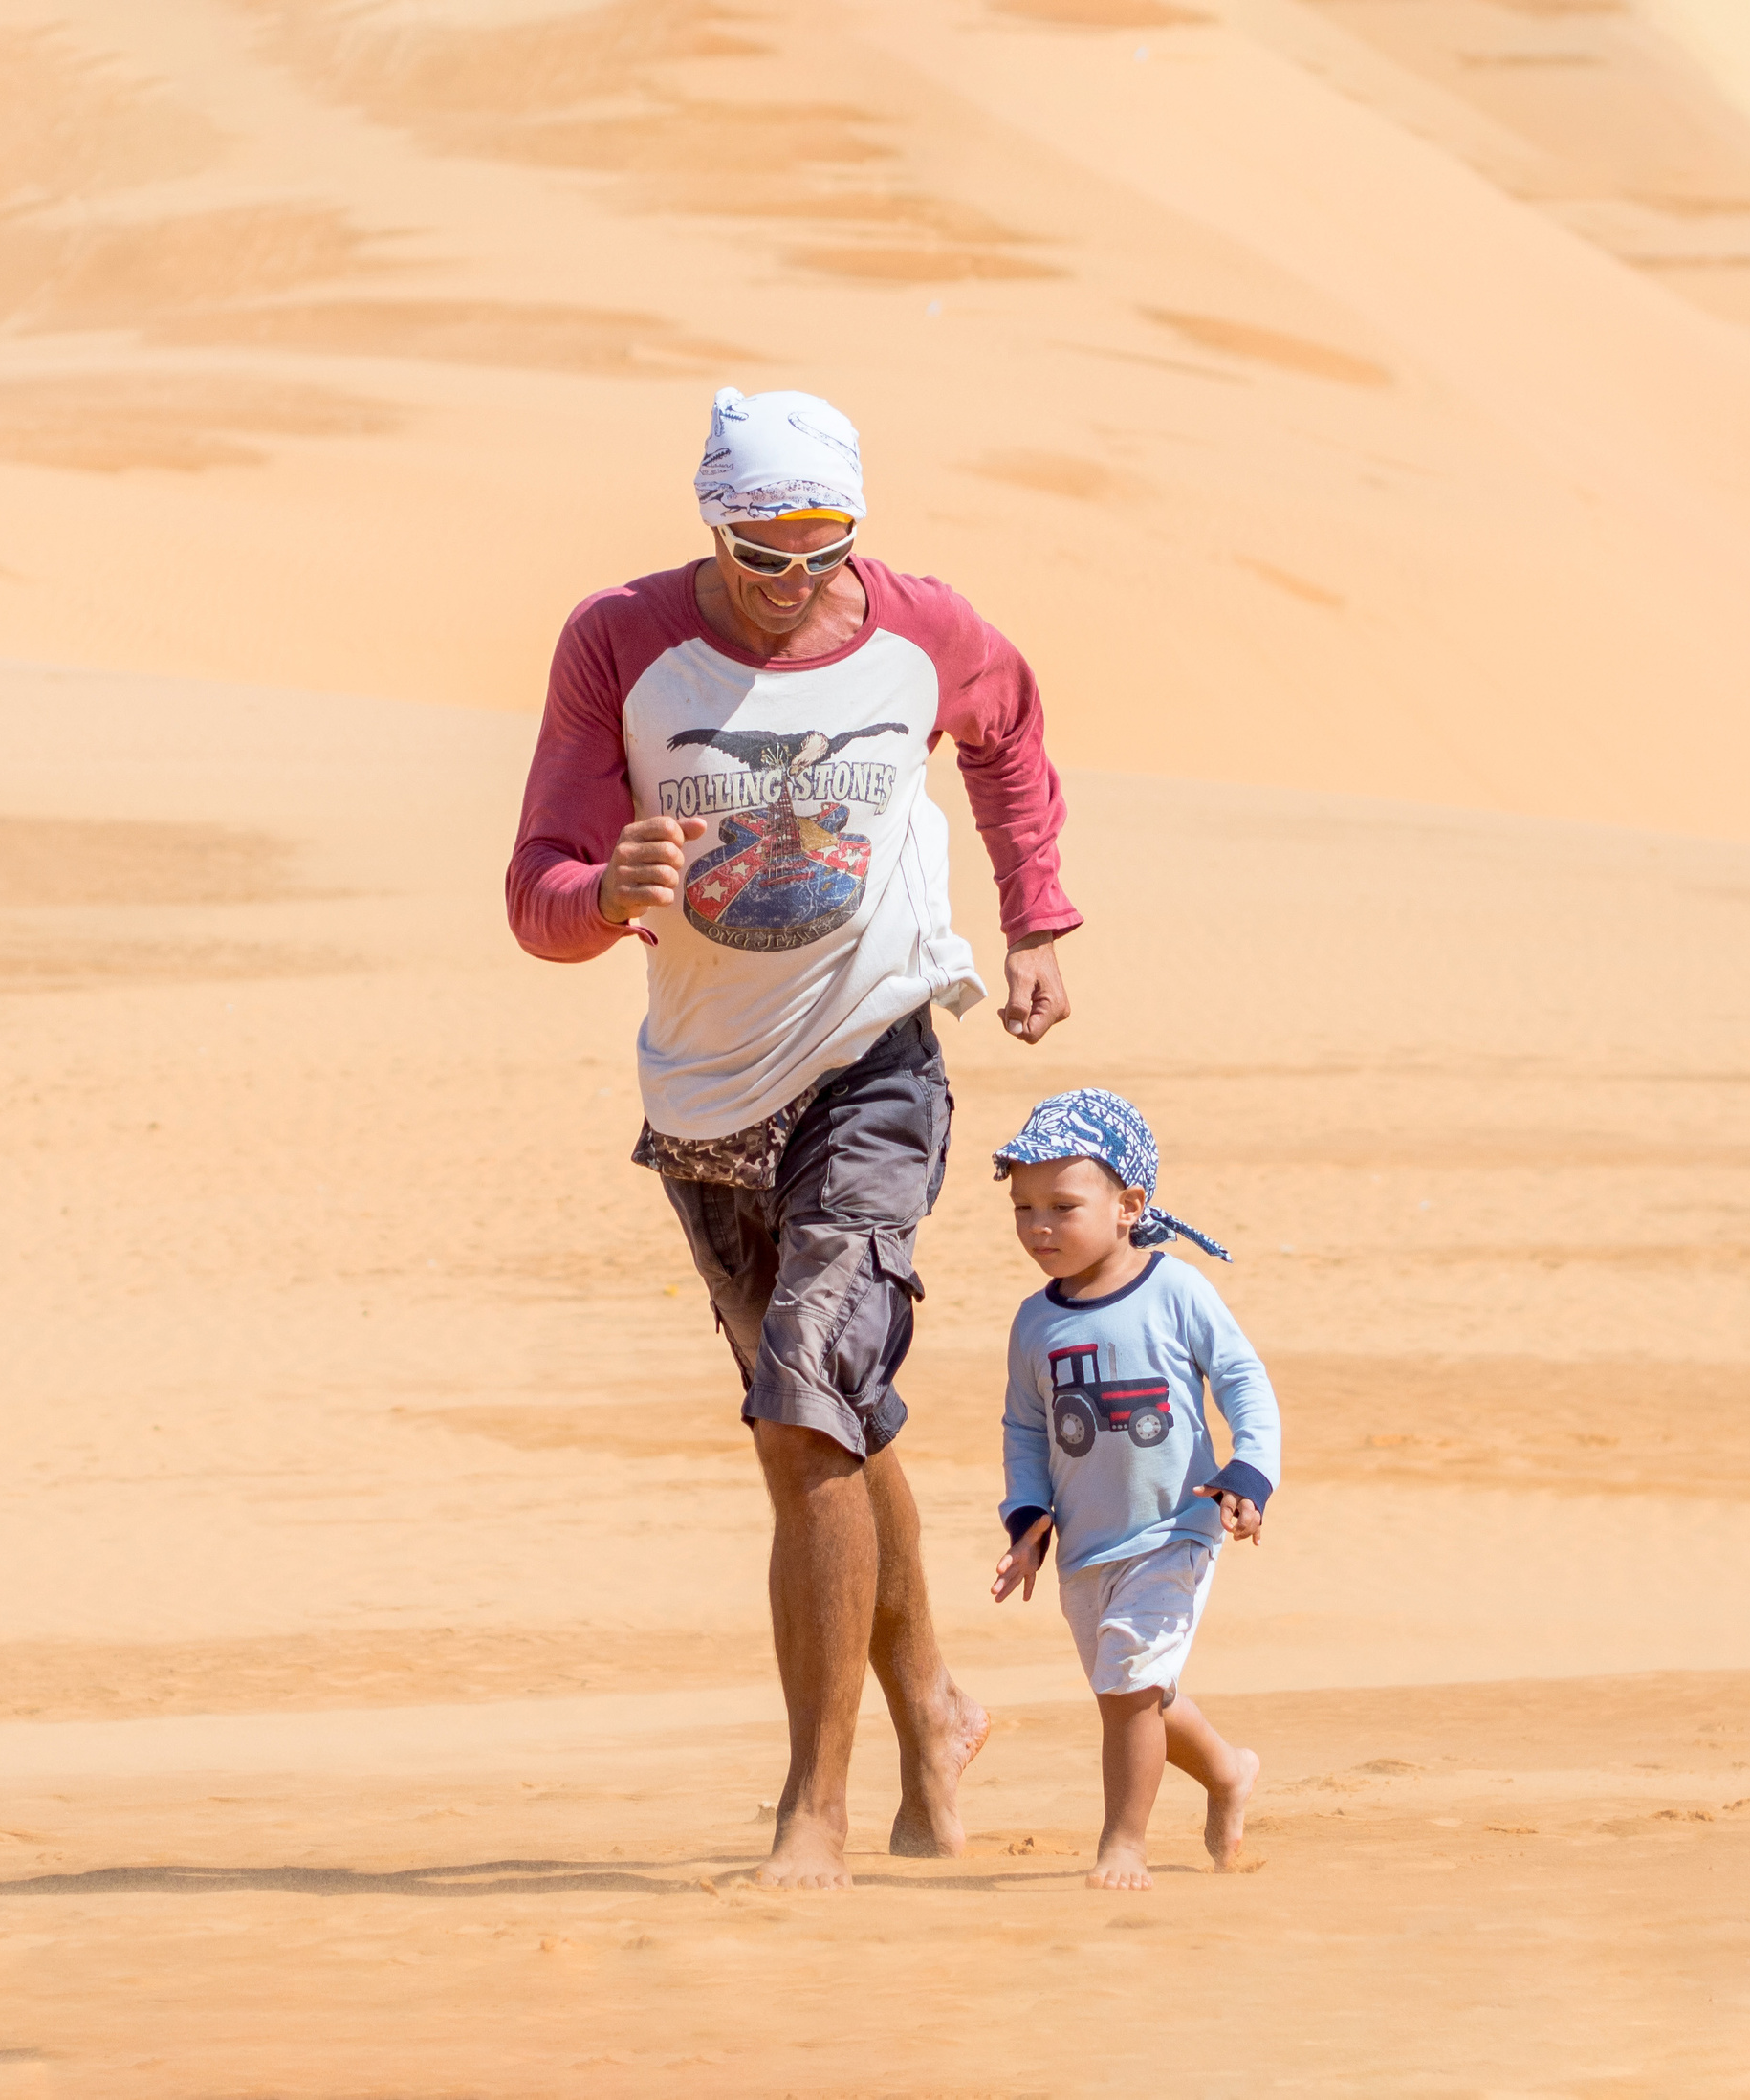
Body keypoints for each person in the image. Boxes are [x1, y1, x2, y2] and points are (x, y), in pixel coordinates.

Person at [506, 386, 1083, 1888]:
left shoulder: (918, 630)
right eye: (763, 547)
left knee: (802, 1402)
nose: (795, 575)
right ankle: (938, 1706)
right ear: (714, 522)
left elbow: (1009, 730)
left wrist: (1035, 919)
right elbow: (538, 899)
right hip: (703, 1094)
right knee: (826, 1422)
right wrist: (603, 891)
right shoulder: (618, 643)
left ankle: (811, 1812)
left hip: (874, 1056)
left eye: (824, 543)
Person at [988, 1088, 1280, 1889]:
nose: (1039, 1226)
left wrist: (1247, 1476)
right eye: (1023, 1208)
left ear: (1129, 1205)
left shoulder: (1176, 1291)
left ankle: (1124, 1844)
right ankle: (1226, 1772)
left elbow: (1243, 1382)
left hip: (1175, 1529)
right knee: (1137, 1694)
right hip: (1087, 1543)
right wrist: (1027, 1523)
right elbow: (1024, 1430)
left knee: (1126, 1688)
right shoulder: (1034, 1322)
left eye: (1062, 1206)